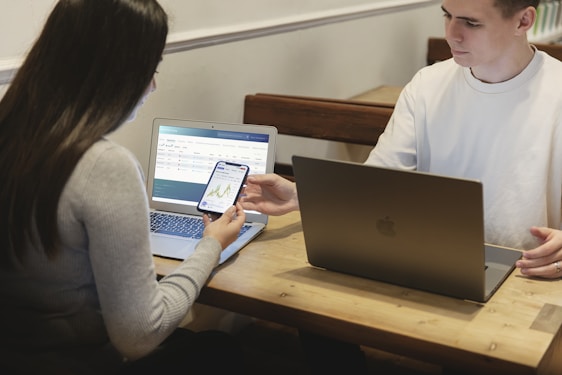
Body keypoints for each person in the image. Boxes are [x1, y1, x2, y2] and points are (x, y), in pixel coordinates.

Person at [241, 0, 562, 372]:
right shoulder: (429, 84)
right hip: (426, 263)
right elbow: (379, 181)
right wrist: (302, 195)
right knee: (311, 307)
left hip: (526, 276)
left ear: (524, 20)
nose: (451, 34)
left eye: (471, 23)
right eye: (447, 15)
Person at [0, 1, 247, 374]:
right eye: (150, 69)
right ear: (113, 73)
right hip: (75, 361)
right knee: (219, 349)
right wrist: (210, 244)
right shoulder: (104, 165)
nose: (153, 84)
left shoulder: (12, 137)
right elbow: (139, 334)